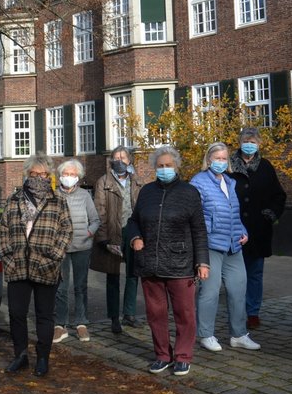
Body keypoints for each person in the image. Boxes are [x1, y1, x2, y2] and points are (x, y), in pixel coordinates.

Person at [128, 147, 209, 376]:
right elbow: (133, 221)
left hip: (180, 263)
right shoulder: (146, 192)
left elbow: (199, 230)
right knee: (156, 314)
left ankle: (183, 356)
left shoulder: (189, 192)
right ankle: (162, 355)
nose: (164, 169)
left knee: (184, 313)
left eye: (168, 165)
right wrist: (135, 237)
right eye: (160, 166)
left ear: (177, 166)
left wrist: (202, 262)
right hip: (150, 263)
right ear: (155, 168)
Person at [0, 153, 73, 377]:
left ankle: (42, 358)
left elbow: (66, 231)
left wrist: (55, 256)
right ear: (27, 174)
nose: (39, 178)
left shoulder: (57, 200)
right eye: (35, 174)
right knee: (16, 313)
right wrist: (8, 256)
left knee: (44, 315)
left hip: (46, 266)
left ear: (49, 176)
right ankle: (20, 355)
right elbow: (3, 230)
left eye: (43, 174)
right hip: (18, 264)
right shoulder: (14, 199)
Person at [191, 142, 260, 352]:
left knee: (238, 289)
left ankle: (239, 334)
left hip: (233, 245)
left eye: (224, 158)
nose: (221, 162)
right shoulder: (199, 182)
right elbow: (194, 214)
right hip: (211, 244)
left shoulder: (229, 182)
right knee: (210, 291)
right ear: (208, 159)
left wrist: (243, 230)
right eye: (217, 158)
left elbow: (233, 213)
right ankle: (206, 335)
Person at [229, 127, 286, 329]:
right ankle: (236, 311)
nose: (249, 145)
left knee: (254, 273)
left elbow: (279, 196)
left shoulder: (265, 166)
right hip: (233, 228)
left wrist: (270, 215)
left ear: (259, 144)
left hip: (258, 229)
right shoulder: (229, 165)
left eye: (253, 141)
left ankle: (253, 312)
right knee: (235, 275)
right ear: (239, 142)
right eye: (246, 141)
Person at [91, 146, 143, 334]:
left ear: (130, 160)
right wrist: (104, 238)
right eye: (116, 157)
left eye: (123, 157)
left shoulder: (137, 181)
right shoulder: (103, 182)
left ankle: (129, 313)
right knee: (112, 276)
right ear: (111, 161)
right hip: (112, 231)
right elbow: (100, 211)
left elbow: (142, 208)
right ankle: (114, 317)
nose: (120, 160)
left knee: (132, 274)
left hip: (132, 231)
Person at [53, 159, 100, 344]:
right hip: (61, 247)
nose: (69, 177)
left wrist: (89, 232)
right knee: (61, 287)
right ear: (60, 175)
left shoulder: (85, 195)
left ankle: (81, 322)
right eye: (66, 174)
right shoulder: (53, 195)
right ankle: (60, 324)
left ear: (78, 177)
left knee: (80, 286)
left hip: (82, 246)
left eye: (72, 174)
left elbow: (95, 220)